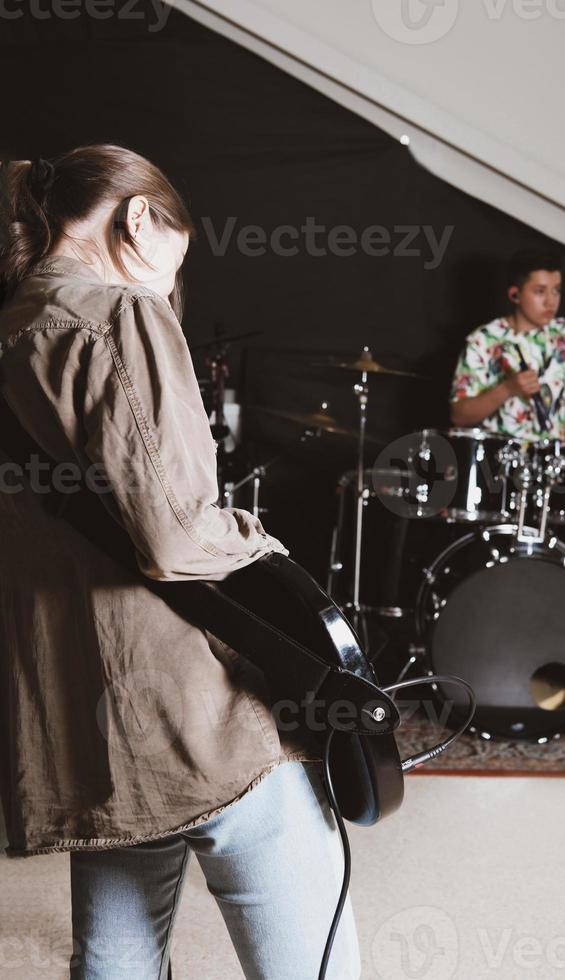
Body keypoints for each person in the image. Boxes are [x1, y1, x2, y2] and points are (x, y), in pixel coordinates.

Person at [0, 145, 360, 979]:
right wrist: (263, 545)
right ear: (137, 220)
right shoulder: (118, 312)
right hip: (188, 707)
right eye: (175, 259)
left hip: (89, 716)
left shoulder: (15, 324)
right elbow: (175, 537)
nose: (170, 287)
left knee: (116, 963)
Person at [450, 247, 565, 440]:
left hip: (551, 463)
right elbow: (459, 415)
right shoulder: (484, 340)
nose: (550, 301)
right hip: (496, 463)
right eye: (539, 291)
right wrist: (507, 389)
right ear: (515, 295)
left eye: (556, 291)